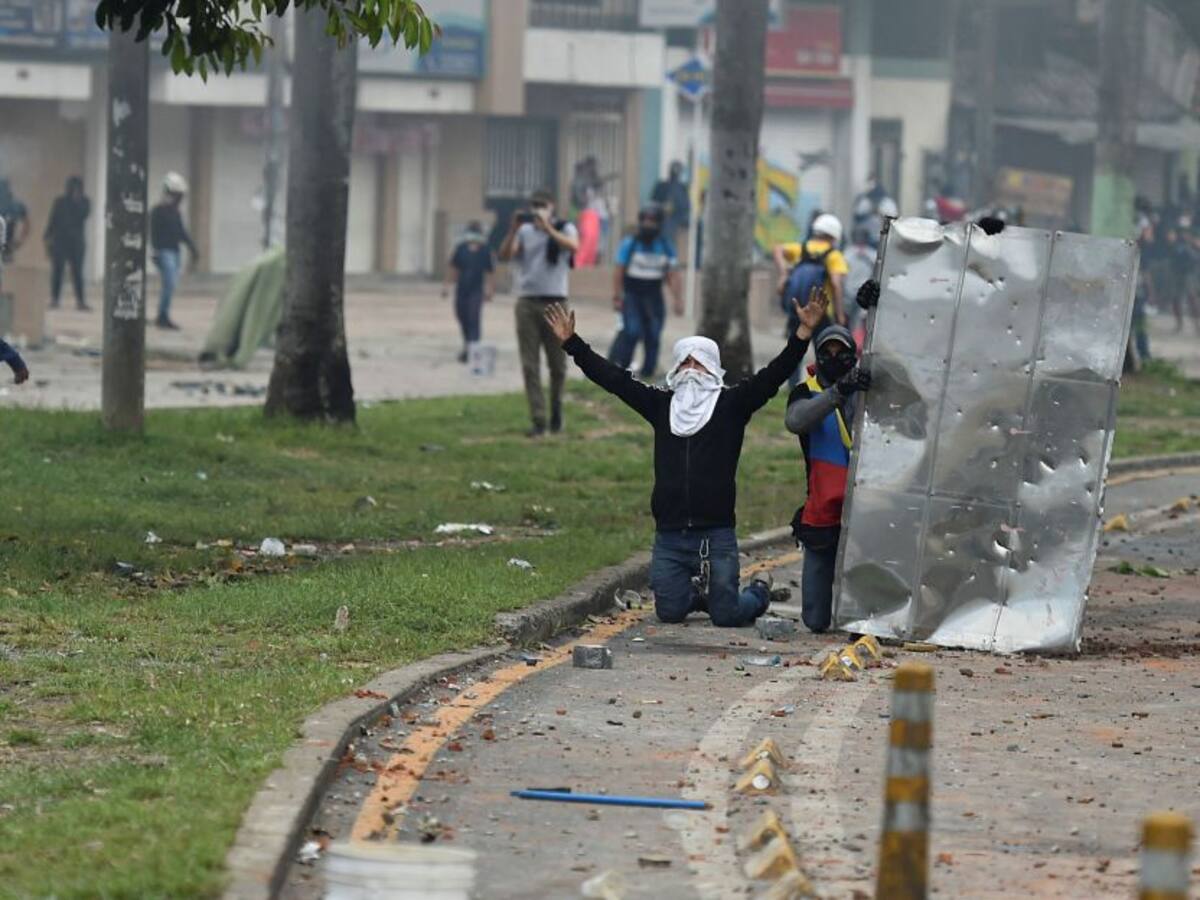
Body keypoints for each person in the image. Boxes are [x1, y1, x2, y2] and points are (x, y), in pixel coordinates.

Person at [544, 291, 831, 628]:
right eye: (685, 363)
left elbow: (774, 374)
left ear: (713, 369)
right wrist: (572, 344)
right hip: (671, 535)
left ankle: (758, 593)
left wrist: (802, 335)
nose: (692, 371)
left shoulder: (732, 405)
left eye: (700, 363)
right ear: (675, 369)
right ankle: (698, 596)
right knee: (669, 611)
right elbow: (615, 381)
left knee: (727, 615)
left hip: (717, 534)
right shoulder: (661, 406)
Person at [784, 326, 870, 633]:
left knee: (863, 619)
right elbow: (795, 421)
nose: (835, 359)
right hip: (824, 510)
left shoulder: (867, 386)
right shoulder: (805, 391)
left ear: (855, 355)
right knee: (816, 620)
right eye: (827, 353)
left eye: (842, 352)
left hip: (868, 510)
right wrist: (838, 392)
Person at [498, 189, 580, 437]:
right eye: (533, 205)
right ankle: (538, 419)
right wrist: (512, 229)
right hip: (527, 302)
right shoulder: (524, 231)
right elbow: (504, 255)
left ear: (552, 206)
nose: (537, 209)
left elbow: (573, 247)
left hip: (556, 302)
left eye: (542, 205)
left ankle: (556, 411)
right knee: (529, 364)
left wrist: (548, 229)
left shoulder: (565, 228)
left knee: (558, 365)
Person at [608, 204, 682, 378]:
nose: (648, 225)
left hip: (654, 297)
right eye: (645, 220)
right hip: (633, 296)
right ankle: (621, 370)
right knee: (632, 331)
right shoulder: (630, 244)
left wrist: (677, 299)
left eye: (653, 221)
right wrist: (617, 297)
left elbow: (672, 274)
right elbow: (619, 271)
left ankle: (647, 373)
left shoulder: (665, 246)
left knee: (653, 335)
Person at [150, 172, 199, 330]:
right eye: (177, 195)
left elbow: (181, 232)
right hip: (164, 252)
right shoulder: (157, 211)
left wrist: (192, 248)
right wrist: (155, 251)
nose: (180, 199)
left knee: (170, 285)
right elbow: (152, 233)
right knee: (169, 283)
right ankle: (162, 316)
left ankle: (163, 314)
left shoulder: (176, 213)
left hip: (174, 252)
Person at [442, 221, 495, 363]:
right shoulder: (461, 249)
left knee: (473, 318)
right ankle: (467, 344)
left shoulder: (485, 250)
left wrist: (489, 290)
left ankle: (472, 350)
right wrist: (447, 286)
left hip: (476, 291)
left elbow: (489, 272)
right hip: (461, 290)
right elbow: (453, 268)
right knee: (462, 317)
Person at [44, 176, 91, 311]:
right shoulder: (60, 201)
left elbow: (84, 215)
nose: (75, 190)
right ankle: (55, 299)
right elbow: (53, 219)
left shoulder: (85, 202)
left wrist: (77, 201)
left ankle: (80, 302)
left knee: (77, 273)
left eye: (78, 188)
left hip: (77, 243)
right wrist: (47, 236)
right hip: (60, 242)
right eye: (73, 187)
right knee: (57, 272)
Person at [652, 161, 691, 255]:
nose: (675, 175)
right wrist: (662, 207)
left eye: (677, 172)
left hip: (675, 222)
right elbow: (653, 202)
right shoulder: (661, 186)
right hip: (660, 221)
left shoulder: (682, 188)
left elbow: (685, 206)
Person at [0, 178, 29, 268]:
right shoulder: (15, 205)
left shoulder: (15, 205)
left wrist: (19, 241)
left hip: (7, 246)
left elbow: (26, 224)